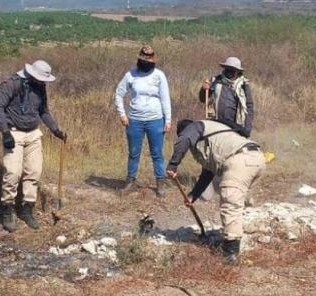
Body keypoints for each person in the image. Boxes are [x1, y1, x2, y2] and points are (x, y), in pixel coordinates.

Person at [166, 119, 265, 262]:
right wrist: (193, 195)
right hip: (257, 159)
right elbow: (208, 173)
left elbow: (185, 138)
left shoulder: (194, 127)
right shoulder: (213, 136)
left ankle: (231, 254)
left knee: (230, 205)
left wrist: (173, 165)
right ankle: (245, 234)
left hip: (240, 160)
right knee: (238, 204)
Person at [0, 60, 66, 232]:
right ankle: (8, 209)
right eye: (41, 79)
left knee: (33, 172)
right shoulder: (12, 83)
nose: (44, 83)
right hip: (13, 132)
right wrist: (5, 132)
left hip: (33, 133)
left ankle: (27, 209)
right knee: (12, 173)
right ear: (32, 74)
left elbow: (44, 112)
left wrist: (56, 130)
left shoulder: (40, 87)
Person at [114, 45, 172, 198]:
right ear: (139, 60)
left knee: (157, 153)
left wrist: (168, 120)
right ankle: (131, 182)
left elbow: (165, 98)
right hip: (134, 120)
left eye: (149, 59)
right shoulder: (131, 75)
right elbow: (118, 94)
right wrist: (122, 114)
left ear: (153, 60)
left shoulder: (159, 75)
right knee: (134, 153)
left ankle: (160, 183)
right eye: (143, 59)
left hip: (156, 120)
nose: (146, 62)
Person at [199, 57, 254, 138]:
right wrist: (203, 90)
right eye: (227, 69)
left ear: (237, 71)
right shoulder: (215, 81)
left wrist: (247, 128)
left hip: (235, 126)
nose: (229, 72)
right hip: (216, 123)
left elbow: (249, 107)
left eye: (232, 70)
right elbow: (203, 99)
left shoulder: (243, 85)